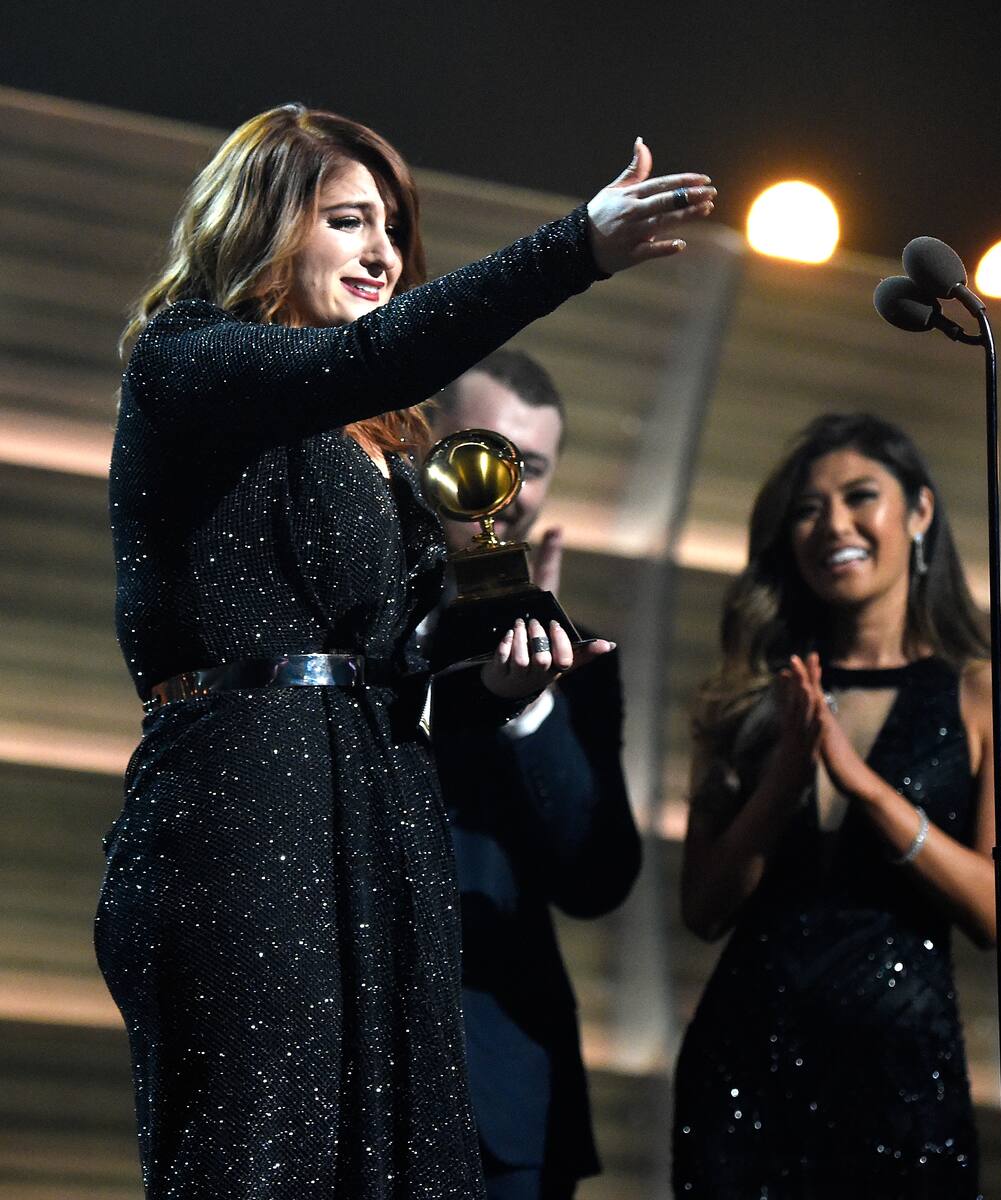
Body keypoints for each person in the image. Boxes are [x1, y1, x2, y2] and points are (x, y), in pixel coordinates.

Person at [93, 102, 713, 1199]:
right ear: (263, 222)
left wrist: (509, 665)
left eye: (392, 228)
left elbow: (412, 659)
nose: (384, 252)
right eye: (348, 221)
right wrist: (574, 247)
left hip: (382, 818)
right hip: (245, 815)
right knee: (264, 1159)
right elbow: (371, 357)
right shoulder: (184, 359)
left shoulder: (384, 443)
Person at [671, 413, 1001, 1199]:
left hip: (902, 1084)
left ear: (919, 511)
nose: (834, 525)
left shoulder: (993, 696)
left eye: (860, 497)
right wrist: (785, 776)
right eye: (808, 510)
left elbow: (993, 912)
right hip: (745, 1073)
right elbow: (703, 909)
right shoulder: (751, 697)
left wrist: (864, 786)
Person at [425, 350, 642, 1200]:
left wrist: (531, 706)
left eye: (532, 467)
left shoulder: (578, 658)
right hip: (325, 1073)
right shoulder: (334, 623)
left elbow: (598, 877)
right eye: (484, 450)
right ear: (422, 440)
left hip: (503, 1098)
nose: (504, 487)